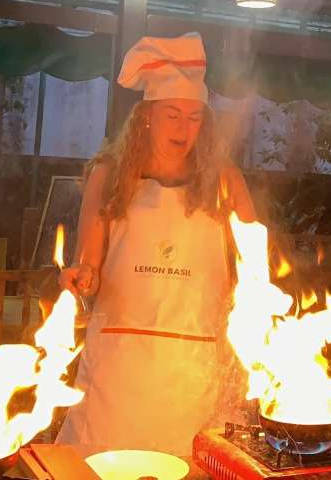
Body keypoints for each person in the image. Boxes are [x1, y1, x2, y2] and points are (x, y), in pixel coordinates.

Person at [55, 32, 256, 456]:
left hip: (196, 370)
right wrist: (81, 278)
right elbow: (87, 262)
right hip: (120, 367)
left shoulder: (225, 181)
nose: (185, 128)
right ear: (146, 116)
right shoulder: (109, 175)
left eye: (194, 117)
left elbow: (255, 272)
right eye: (173, 115)